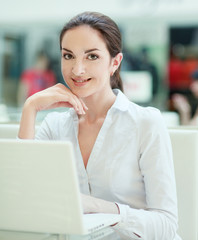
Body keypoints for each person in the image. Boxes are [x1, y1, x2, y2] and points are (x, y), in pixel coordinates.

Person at [18, 12, 181, 240]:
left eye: (92, 57)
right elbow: (22, 195)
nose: (77, 70)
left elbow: (166, 226)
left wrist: (102, 208)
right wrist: (31, 107)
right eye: (68, 56)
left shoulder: (145, 123)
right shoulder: (54, 126)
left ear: (115, 62)